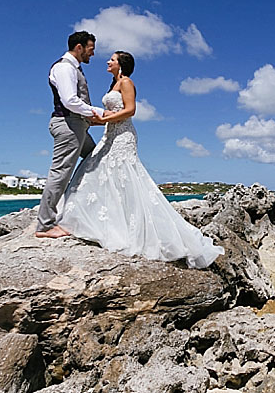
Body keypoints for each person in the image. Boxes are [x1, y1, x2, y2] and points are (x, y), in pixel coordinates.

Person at [53, 50, 224, 269]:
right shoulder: (113, 84)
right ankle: (94, 221)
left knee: (124, 178)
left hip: (123, 136)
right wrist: (99, 121)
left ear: (121, 64)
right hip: (110, 134)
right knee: (95, 170)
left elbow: (130, 110)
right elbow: (112, 113)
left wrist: (105, 118)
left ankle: (130, 230)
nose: (108, 61)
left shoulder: (126, 83)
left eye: (112, 60)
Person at [35, 31, 106, 238]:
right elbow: (70, 101)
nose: (92, 55)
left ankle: (77, 205)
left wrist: (93, 119)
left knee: (95, 157)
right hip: (68, 126)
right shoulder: (65, 68)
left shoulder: (74, 68)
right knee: (60, 173)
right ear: (79, 47)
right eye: (90, 50)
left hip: (77, 125)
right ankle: (45, 225)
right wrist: (99, 113)